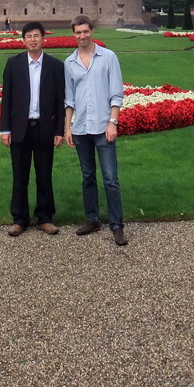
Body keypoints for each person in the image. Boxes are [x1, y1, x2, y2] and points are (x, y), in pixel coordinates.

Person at [64, 15, 128, 246]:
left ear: (92, 31)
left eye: (85, 31)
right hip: (81, 129)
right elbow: (69, 99)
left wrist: (113, 122)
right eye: (78, 32)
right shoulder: (69, 63)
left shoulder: (108, 57)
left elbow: (116, 94)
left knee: (111, 179)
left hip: (103, 126)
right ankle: (92, 219)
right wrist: (67, 127)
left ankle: (116, 225)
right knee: (88, 177)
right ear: (74, 34)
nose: (82, 36)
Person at [0, 21, 65, 237]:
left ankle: (45, 217)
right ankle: (20, 219)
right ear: (24, 40)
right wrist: (5, 129)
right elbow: (6, 99)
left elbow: (59, 101)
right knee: (20, 176)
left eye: (37, 36)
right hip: (20, 127)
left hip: (44, 127)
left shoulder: (55, 66)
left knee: (44, 175)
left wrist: (59, 130)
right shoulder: (14, 63)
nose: (33, 40)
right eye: (29, 36)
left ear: (43, 39)